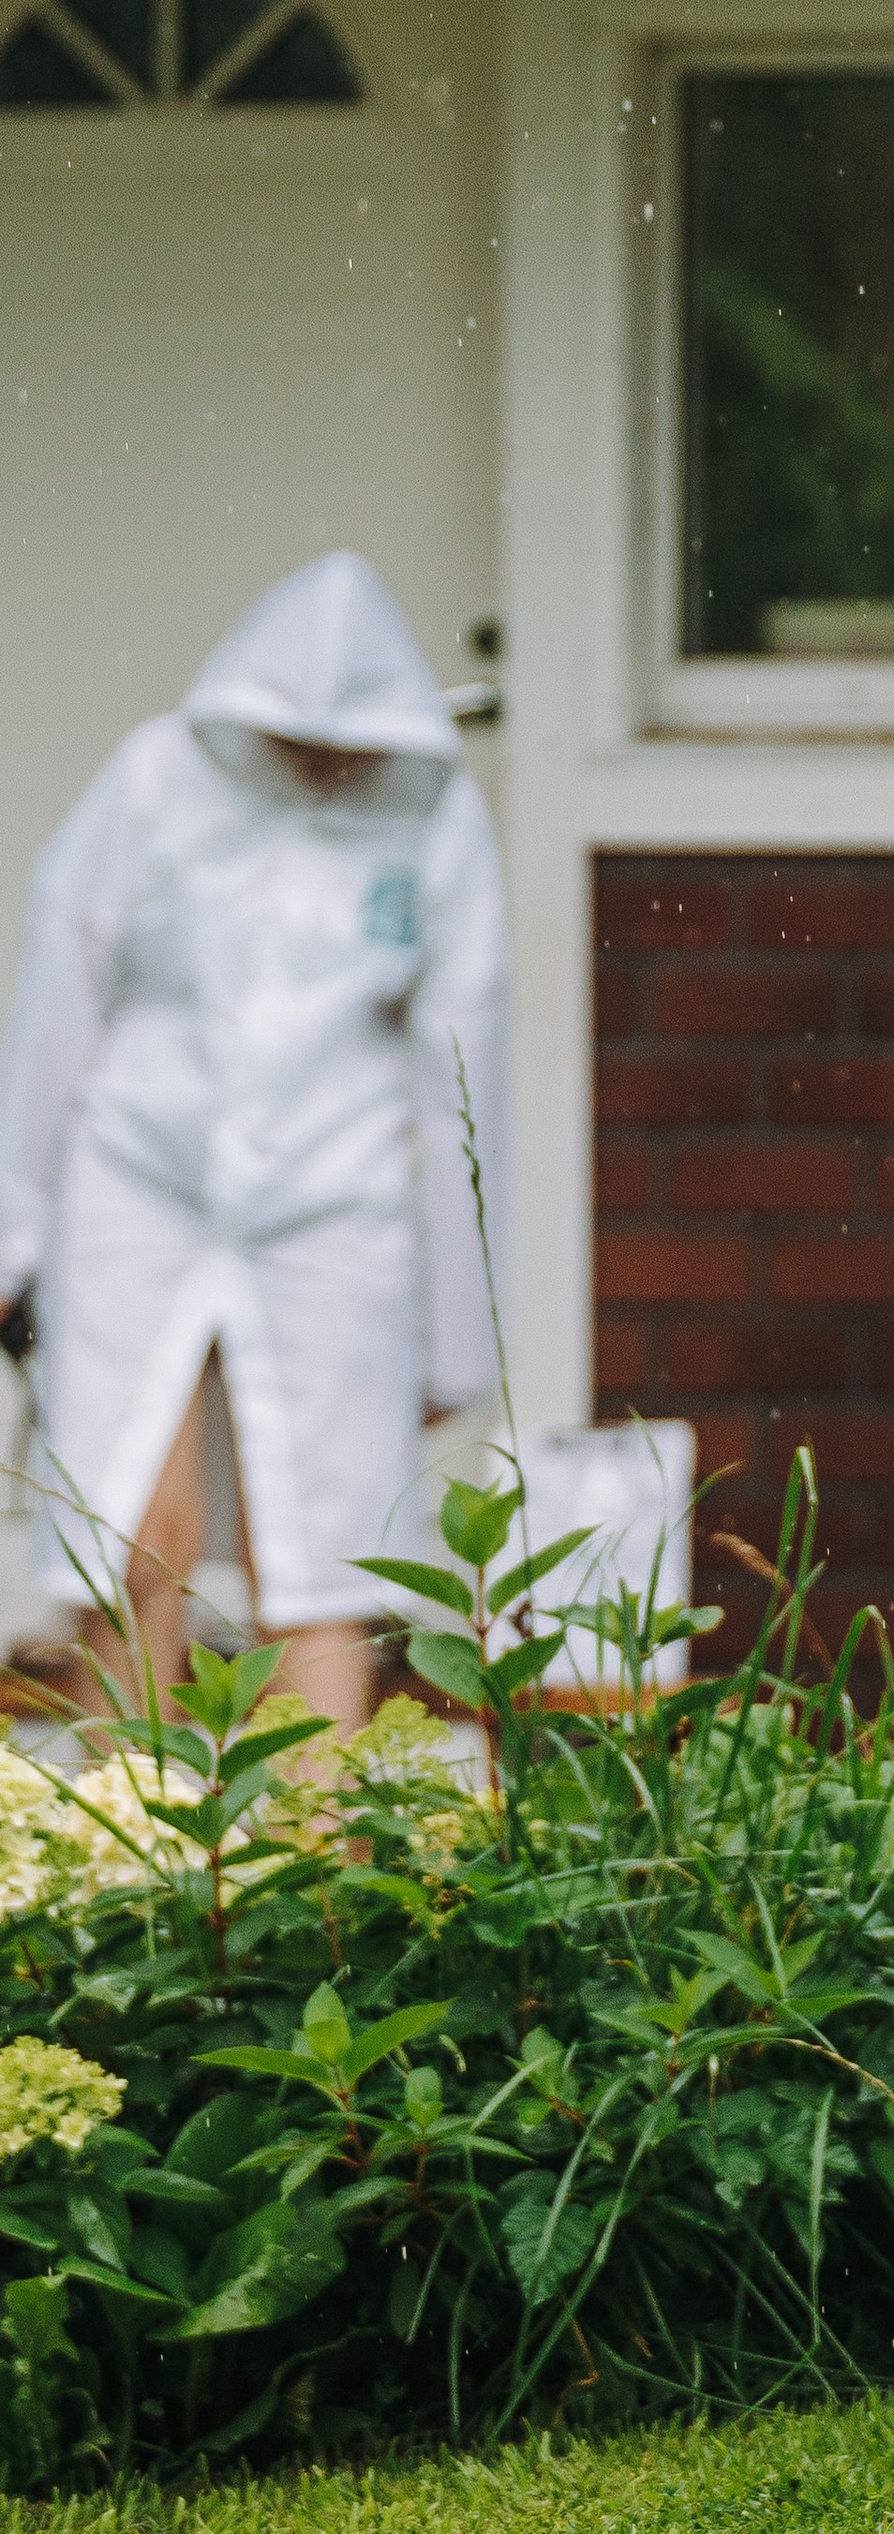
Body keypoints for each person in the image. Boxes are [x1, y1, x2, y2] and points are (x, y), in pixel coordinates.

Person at [0, 552, 509, 1732]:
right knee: (128, 1529)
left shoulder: (437, 819)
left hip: (337, 1195)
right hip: (139, 1174)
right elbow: (60, 996)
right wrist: (14, 1229)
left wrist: (454, 1334)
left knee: (334, 1552)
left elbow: (464, 1064)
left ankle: (314, 1870)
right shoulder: (153, 782)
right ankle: (120, 1849)